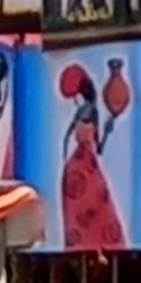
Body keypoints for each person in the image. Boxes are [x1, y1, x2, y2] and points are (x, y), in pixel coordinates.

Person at [56, 58, 129, 252]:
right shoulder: (90, 110)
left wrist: (106, 131)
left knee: (90, 209)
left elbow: (96, 147)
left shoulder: (87, 110)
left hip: (85, 167)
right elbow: (95, 146)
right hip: (84, 166)